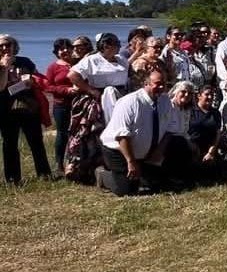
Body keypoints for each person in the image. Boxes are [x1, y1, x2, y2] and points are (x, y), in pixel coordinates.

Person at [65, 32, 128, 182]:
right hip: (98, 98)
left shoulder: (121, 60)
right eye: (116, 44)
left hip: (120, 96)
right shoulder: (92, 60)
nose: (119, 47)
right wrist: (90, 90)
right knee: (92, 133)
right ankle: (85, 168)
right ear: (106, 46)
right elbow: (72, 75)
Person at [97, 70, 168, 196]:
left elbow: (168, 130)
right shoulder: (130, 102)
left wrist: (158, 152)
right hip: (119, 150)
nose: (162, 87)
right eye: (157, 83)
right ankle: (103, 175)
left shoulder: (165, 101)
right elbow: (122, 136)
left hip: (143, 153)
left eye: (164, 83)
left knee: (157, 185)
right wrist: (131, 161)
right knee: (126, 190)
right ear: (146, 83)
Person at [0, 35, 52, 183]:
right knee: (10, 144)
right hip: (6, 110)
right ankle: (13, 179)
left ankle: (44, 175)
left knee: (36, 142)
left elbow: (38, 78)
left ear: (14, 46)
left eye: (8, 44)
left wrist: (32, 80)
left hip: (29, 107)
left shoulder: (25, 61)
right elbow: (1, 87)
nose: (5, 48)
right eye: (1, 46)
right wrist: (4, 67)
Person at [43, 37, 79, 170]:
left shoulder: (78, 63)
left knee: (78, 133)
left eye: (67, 47)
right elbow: (48, 87)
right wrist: (66, 90)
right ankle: (59, 164)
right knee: (62, 134)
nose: (65, 50)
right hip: (61, 105)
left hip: (79, 105)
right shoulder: (53, 67)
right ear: (57, 52)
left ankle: (75, 162)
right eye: (61, 49)